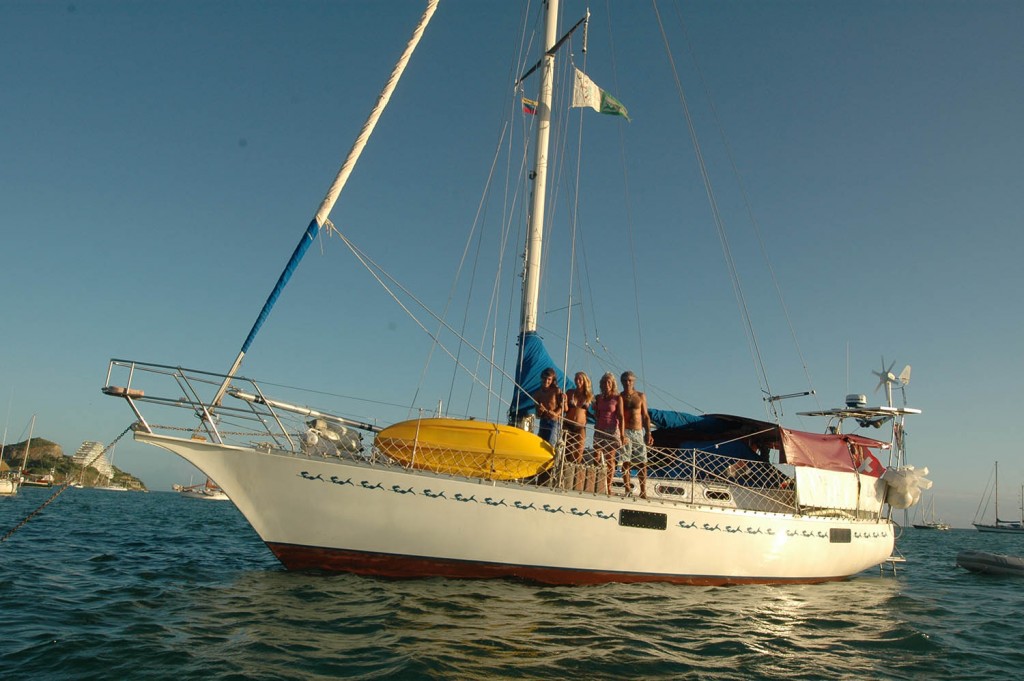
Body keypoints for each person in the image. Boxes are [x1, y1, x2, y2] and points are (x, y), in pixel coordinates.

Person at [620, 370, 653, 499]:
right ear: (622, 382)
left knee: (642, 462)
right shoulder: (620, 397)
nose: (627, 383)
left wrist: (648, 433)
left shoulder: (640, 396)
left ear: (634, 381)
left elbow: (645, 416)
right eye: (625, 380)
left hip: (638, 431)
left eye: (630, 380)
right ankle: (627, 488)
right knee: (625, 461)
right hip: (626, 432)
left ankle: (643, 490)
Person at [593, 372, 624, 496]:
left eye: (609, 382)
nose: (606, 384)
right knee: (597, 457)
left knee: (610, 459)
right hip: (599, 429)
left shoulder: (617, 398)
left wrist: (622, 435)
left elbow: (621, 416)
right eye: (604, 382)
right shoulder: (599, 398)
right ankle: (598, 483)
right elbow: (596, 413)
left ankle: (609, 486)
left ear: (613, 384)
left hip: (612, 430)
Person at [563, 371, 593, 491]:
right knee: (567, 451)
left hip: (580, 426)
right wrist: (564, 401)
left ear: (585, 381)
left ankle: (575, 480)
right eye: (576, 379)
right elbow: (565, 409)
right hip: (568, 424)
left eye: (580, 379)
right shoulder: (570, 393)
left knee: (579, 452)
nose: (577, 381)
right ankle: (565, 478)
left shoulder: (589, 396)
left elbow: (593, 412)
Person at [532, 367, 563, 447]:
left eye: (549, 379)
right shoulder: (537, 394)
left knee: (551, 445)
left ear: (552, 380)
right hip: (543, 422)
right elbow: (538, 415)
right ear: (541, 378)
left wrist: (555, 413)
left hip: (554, 422)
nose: (546, 381)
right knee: (541, 445)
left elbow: (562, 407)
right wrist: (540, 411)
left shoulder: (556, 390)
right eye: (544, 378)